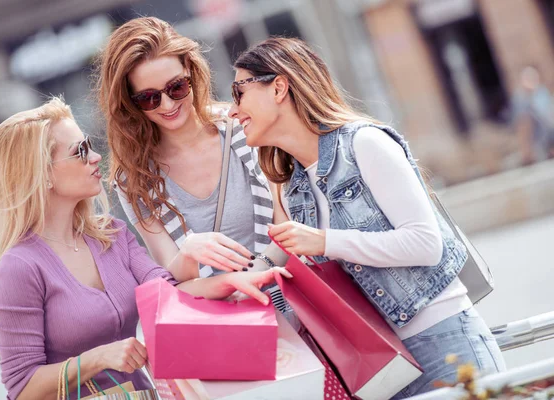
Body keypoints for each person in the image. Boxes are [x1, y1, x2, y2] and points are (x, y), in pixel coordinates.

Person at [228, 37, 506, 398]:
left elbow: (426, 243)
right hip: (381, 368)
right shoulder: (290, 186)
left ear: (279, 87)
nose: (233, 111)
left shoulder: (364, 143)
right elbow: (276, 258)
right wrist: (231, 286)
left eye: (238, 92)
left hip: (444, 347)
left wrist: (326, 242)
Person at [0, 98, 289, 400]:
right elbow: (21, 386)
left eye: (89, 144)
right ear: (43, 173)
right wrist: (98, 358)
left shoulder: (111, 234)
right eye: (80, 151)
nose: (95, 157)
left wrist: (233, 281)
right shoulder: (19, 267)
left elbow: (168, 294)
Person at [94, 17, 289, 285]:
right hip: (222, 320)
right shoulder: (134, 179)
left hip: (288, 295)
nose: (167, 104)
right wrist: (190, 254)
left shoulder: (243, 126)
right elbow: (173, 274)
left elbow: (288, 219)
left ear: (189, 70)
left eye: (176, 87)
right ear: (130, 102)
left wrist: (259, 271)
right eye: (149, 98)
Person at [512, 65, 554, 165]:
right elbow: (523, 126)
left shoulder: (542, 92)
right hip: (540, 141)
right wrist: (526, 151)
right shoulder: (521, 99)